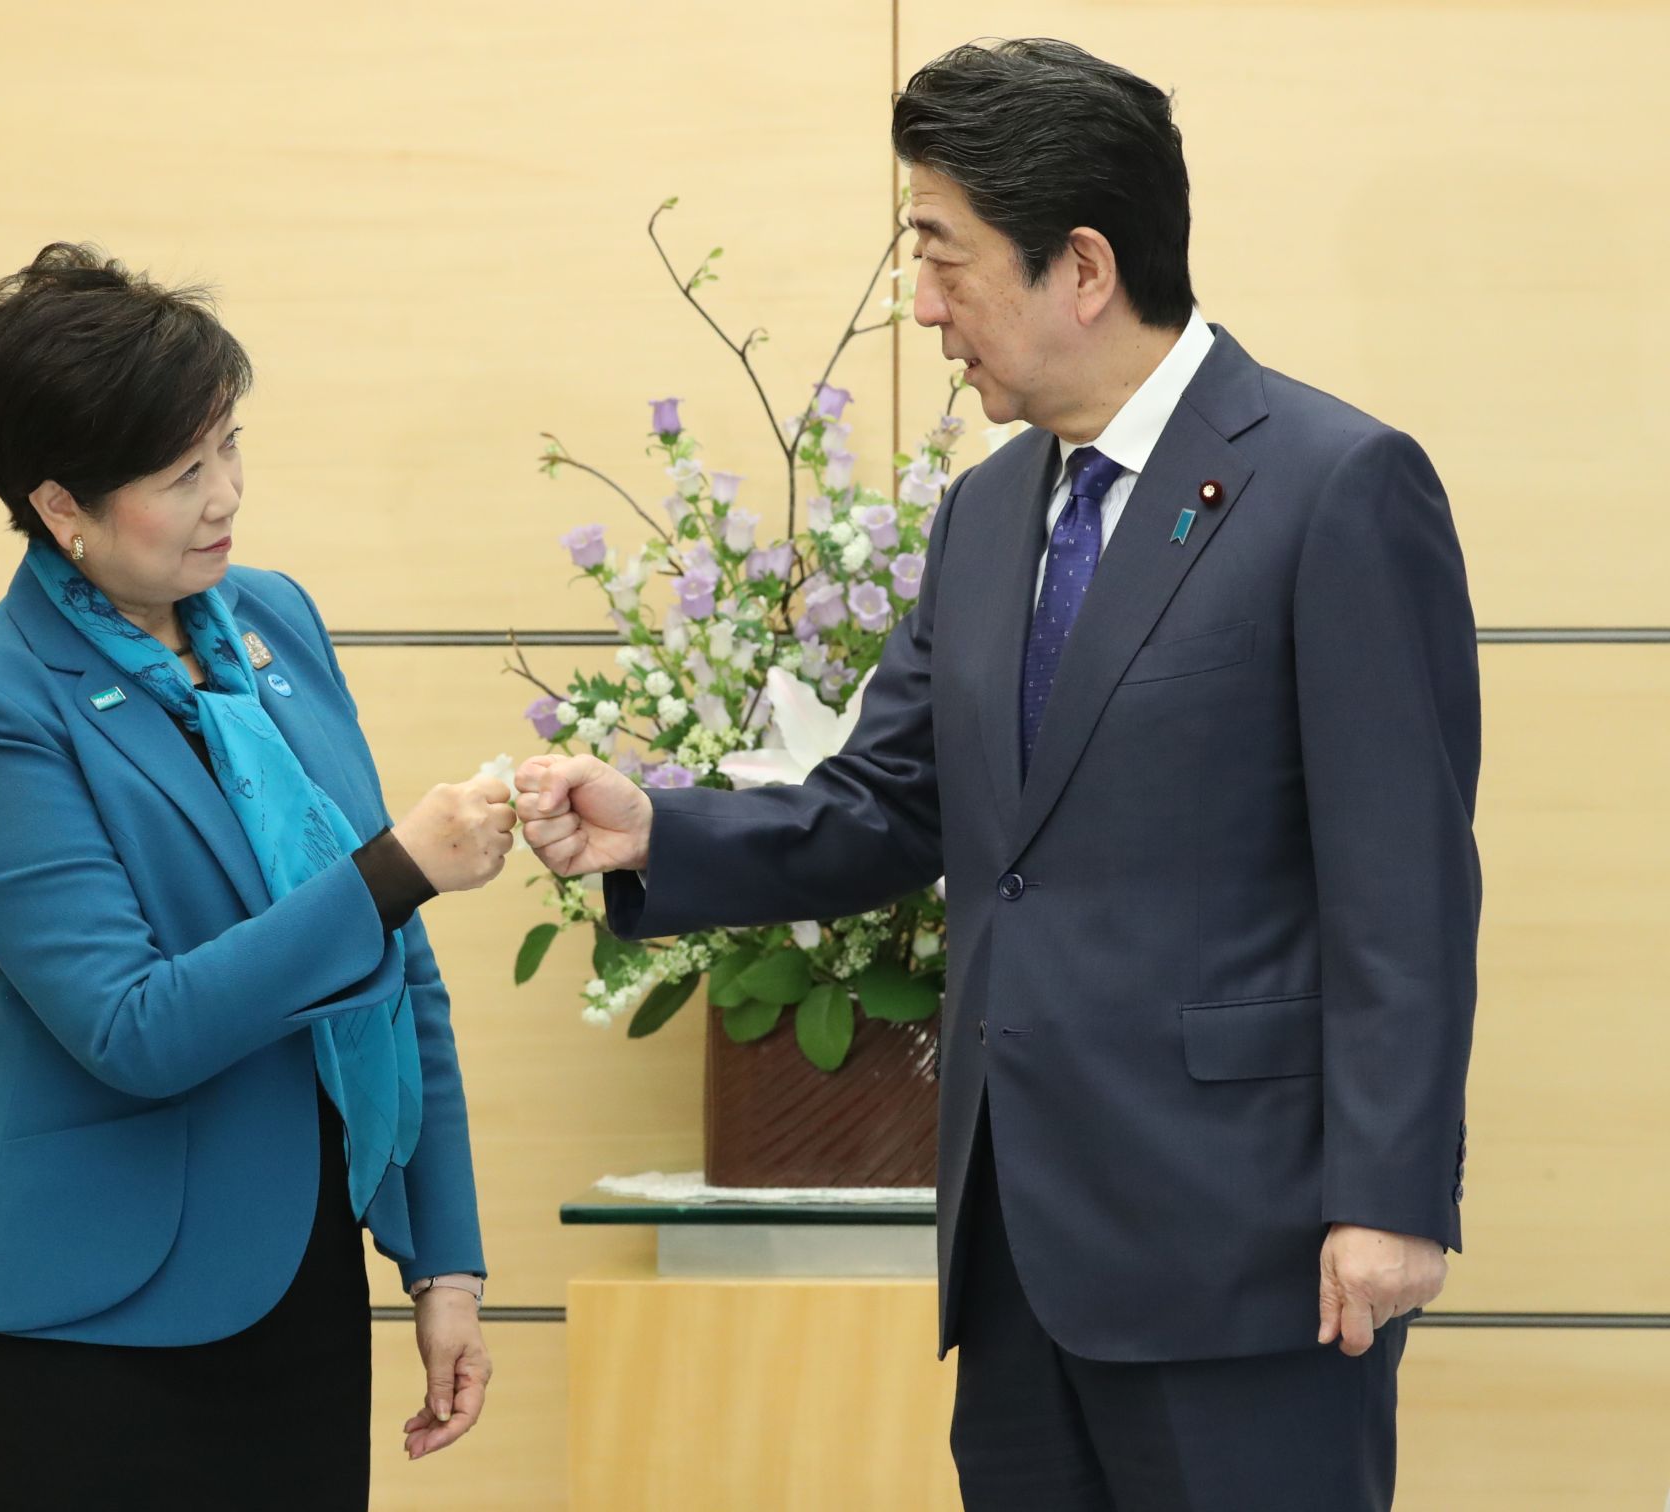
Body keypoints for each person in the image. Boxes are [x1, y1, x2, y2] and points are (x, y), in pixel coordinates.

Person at [518, 39, 1479, 1512]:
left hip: (1252, 1247)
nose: (922, 304)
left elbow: (1404, 879)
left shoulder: (1334, 486)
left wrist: (1390, 1198)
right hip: (1019, 1255)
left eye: (944, 256)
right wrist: (657, 827)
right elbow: (889, 804)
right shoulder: (984, 514)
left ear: (1080, 266)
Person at [0, 243, 511, 1510]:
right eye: (182, 474)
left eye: (228, 445)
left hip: (295, 1282)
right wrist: (393, 867)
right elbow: (133, 1028)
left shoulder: (271, 619)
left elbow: (395, 969)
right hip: (97, 1329)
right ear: (62, 509)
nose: (226, 494)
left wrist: (440, 1260)